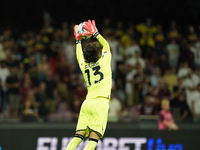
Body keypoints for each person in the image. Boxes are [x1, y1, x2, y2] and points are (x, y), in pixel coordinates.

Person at [66, 20, 112, 150]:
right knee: (93, 138)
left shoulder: (83, 66)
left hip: (87, 103)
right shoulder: (104, 62)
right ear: (98, 55)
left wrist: (78, 40)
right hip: (101, 103)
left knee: (77, 137)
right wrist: (95, 33)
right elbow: (106, 46)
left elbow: (79, 56)